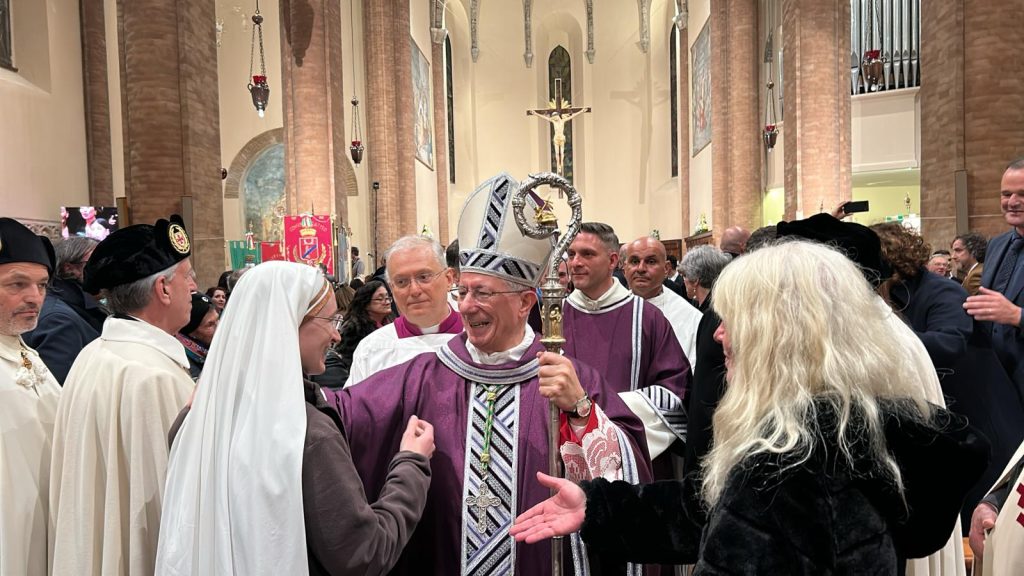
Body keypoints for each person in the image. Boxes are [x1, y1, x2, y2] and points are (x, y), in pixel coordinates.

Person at [511, 241, 989, 573]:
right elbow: (712, 510)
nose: (719, 333)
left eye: (733, 319)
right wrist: (599, 507)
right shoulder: (835, 431)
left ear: (783, 333)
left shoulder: (792, 467)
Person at [326, 173, 650, 575]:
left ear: (525, 302)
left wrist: (582, 410)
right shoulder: (421, 376)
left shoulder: (567, 379)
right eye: (462, 291)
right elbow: (339, 416)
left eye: (482, 293)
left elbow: (629, 479)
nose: (465, 306)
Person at [156, 261, 435, 576]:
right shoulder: (307, 434)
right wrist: (411, 465)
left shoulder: (195, 419)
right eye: (330, 320)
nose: (336, 335)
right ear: (287, 323)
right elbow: (364, 554)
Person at [49, 215, 197, 576]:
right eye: (188, 276)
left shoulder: (93, 353)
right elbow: (169, 503)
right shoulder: (155, 377)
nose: (194, 287)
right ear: (163, 289)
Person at [563, 223, 689, 485]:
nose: (575, 263)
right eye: (571, 254)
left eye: (587, 254)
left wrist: (598, 412)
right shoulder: (555, 315)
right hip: (566, 457)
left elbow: (674, 393)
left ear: (612, 261)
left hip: (633, 463)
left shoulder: (647, 317)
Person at [0, 217, 61, 576]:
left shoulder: (25, 351)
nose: (34, 297)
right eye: (17, 284)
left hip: (45, 526)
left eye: (41, 285)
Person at [345, 236, 462, 387]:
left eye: (424, 277)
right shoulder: (372, 349)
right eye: (401, 282)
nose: (414, 290)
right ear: (392, 288)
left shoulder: (479, 340)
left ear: (449, 279)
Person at [24, 236, 106, 384]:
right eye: (97, 263)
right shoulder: (59, 318)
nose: (106, 270)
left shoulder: (73, 305)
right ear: (69, 268)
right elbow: (58, 388)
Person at [623, 236, 702, 366]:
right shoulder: (612, 309)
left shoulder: (691, 318)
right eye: (634, 261)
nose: (641, 268)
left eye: (651, 261)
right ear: (625, 268)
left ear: (666, 268)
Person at [334, 280, 391, 383]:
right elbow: (347, 360)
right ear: (366, 303)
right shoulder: (354, 328)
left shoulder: (391, 323)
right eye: (380, 299)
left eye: (387, 298)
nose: (386, 302)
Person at [175, 292, 219, 379]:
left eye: (218, 319)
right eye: (210, 324)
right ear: (192, 333)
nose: (218, 327)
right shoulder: (184, 366)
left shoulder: (214, 350)